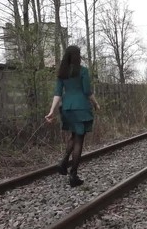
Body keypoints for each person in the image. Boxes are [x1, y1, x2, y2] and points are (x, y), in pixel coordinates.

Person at [45, 45, 100, 187]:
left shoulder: (61, 73)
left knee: (73, 136)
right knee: (79, 140)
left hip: (67, 109)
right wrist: (96, 103)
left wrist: (52, 111)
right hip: (81, 108)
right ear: (77, 56)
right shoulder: (83, 71)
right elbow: (87, 91)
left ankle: (63, 163)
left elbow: (57, 94)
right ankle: (73, 175)